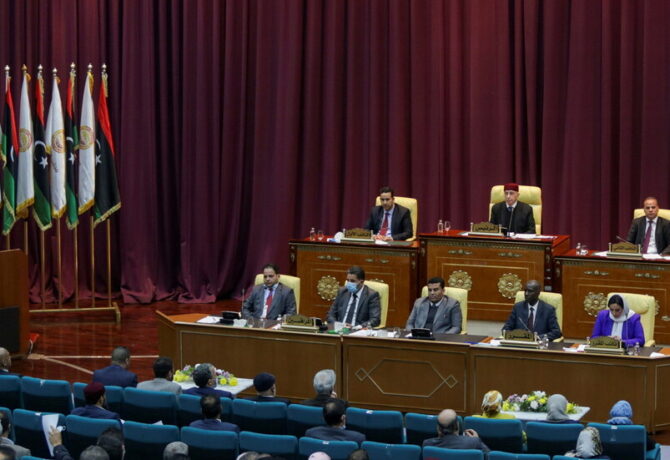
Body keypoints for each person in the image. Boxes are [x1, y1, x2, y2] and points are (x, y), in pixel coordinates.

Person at [422, 409, 490, 453]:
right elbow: (490, 456)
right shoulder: (473, 443)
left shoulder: (427, 445)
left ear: (438, 429)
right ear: (457, 426)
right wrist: (477, 440)